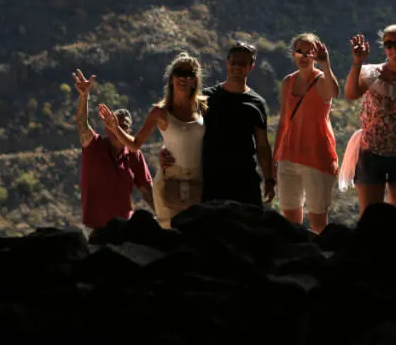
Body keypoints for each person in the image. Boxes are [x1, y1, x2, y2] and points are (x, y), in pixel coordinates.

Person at [159, 41, 274, 207]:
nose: (237, 67)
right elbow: (185, 127)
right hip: (211, 182)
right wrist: (166, 149)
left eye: (242, 63)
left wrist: (269, 179)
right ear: (227, 63)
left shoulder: (256, 103)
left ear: (251, 67)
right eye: (234, 62)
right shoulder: (206, 98)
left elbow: (262, 145)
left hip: (245, 181)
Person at [101, 53, 206, 229]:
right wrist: (116, 128)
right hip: (170, 182)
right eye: (179, 73)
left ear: (195, 81)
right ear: (172, 78)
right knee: (170, 235)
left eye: (189, 74)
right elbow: (135, 144)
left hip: (198, 182)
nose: (183, 78)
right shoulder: (160, 112)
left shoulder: (203, 107)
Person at [344, 24, 396, 216]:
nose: (394, 49)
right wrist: (357, 62)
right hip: (371, 153)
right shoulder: (371, 74)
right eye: (388, 44)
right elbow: (351, 94)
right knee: (369, 216)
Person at [271, 33, 341, 233]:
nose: (303, 56)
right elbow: (283, 122)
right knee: (290, 222)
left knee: (318, 223)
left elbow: (334, 92)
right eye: (299, 51)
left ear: (315, 55)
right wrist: (275, 159)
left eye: (309, 52)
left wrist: (325, 64)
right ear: (293, 53)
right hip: (288, 157)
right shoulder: (288, 82)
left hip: (316, 157)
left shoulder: (321, 80)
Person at [72, 68, 154, 231]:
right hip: (96, 229)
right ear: (107, 128)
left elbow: (147, 191)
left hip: (124, 228)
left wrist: (166, 220)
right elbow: (82, 124)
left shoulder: (134, 155)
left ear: (129, 131)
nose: (118, 130)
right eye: (114, 125)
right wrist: (84, 96)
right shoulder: (94, 146)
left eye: (124, 127)